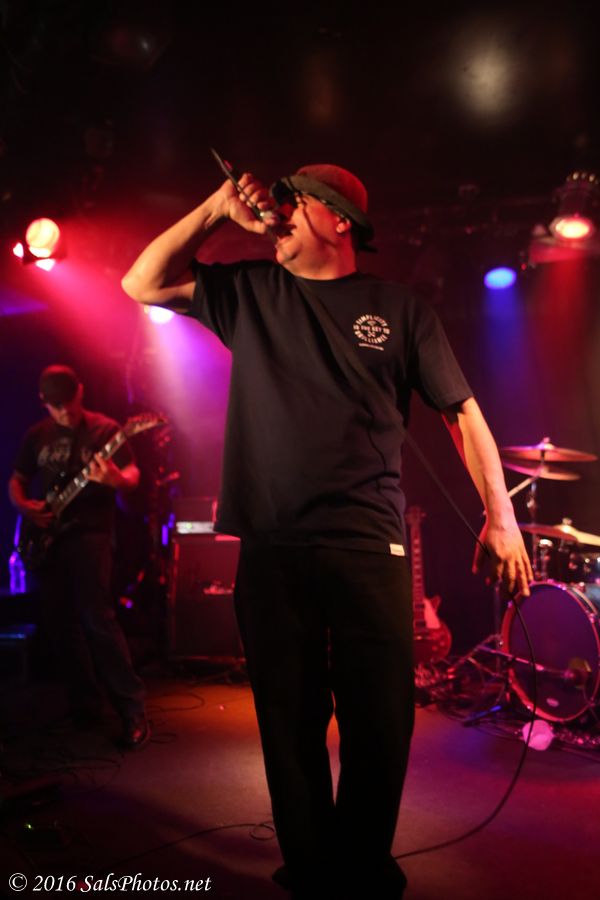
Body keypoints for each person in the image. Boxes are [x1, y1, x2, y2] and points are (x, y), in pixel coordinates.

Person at [121, 163, 532, 897]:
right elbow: (141, 282)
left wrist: (501, 518)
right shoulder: (251, 291)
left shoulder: (398, 308)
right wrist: (216, 208)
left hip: (367, 542)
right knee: (288, 721)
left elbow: (463, 414)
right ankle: (312, 872)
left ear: (339, 220)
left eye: (294, 203)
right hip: (273, 544)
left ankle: (362, 870)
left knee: (381, 722)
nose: (276, 214)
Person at [8, 365, 150, 750]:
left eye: (68, 404)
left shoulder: (106, 430)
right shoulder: (37, 435)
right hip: (51, 538)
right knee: (60, 624)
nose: (64, 413)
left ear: (81, 393)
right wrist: (24, 506)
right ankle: (85, 708)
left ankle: (132, 710)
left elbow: (133, 472)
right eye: (56, 407)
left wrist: (116, 480)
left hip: (92, 534)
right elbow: (17, 480)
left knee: (96, 619)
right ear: (43, 403)